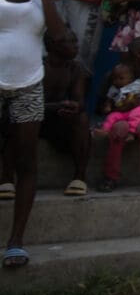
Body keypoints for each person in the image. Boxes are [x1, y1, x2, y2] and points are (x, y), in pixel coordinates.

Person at [0, 0, 66, 269]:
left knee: (27, 162)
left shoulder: (41, 1)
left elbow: (58, 36)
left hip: (29, 85)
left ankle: (16, 241)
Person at [95, 61, 140, 194]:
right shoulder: (113, 82)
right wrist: (115, 107)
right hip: (122, 115)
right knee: (118, 129)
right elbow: (102, 107)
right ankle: (110, 176)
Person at [40, 31, 91, 196]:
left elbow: (79, 100)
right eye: (71, 43)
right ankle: (7, 179)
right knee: (17, 118)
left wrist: (73, 106)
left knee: (81, 119)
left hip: (58, 118)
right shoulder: (38, 66)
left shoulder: (75, 68)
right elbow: (27, 104)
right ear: (53, 45)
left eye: (76, 42)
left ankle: (79, 176)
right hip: (34, 118)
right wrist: (57, 106)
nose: (76, 47)